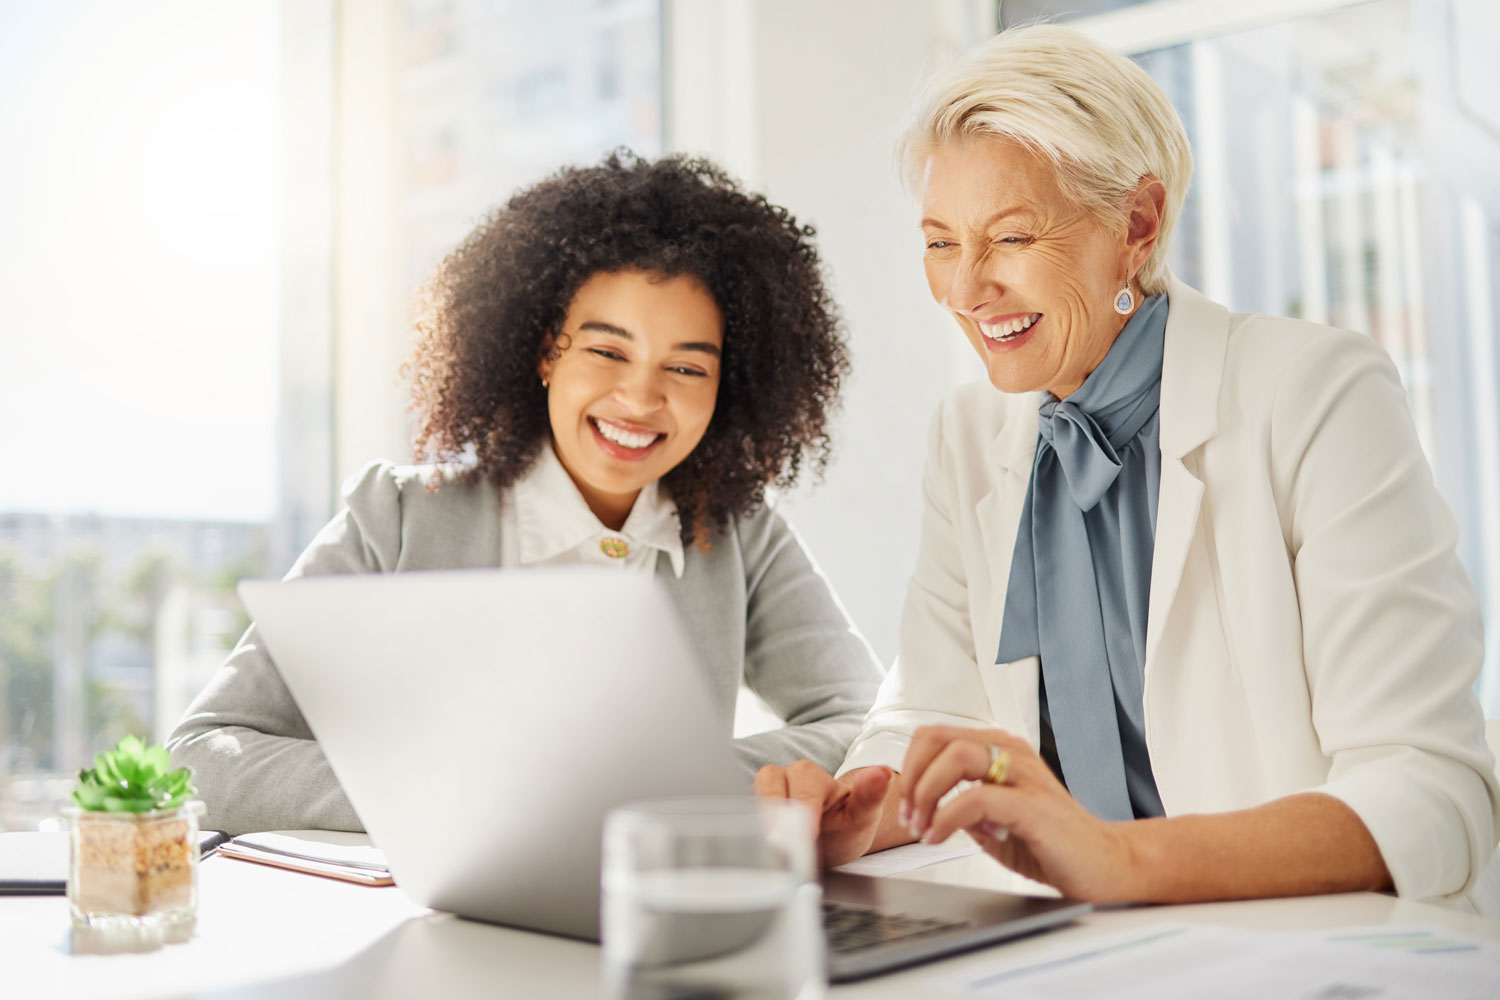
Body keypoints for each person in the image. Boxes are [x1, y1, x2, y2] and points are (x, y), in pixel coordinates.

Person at [755, 24, 1500, 909]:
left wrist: (1118, 861)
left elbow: (1429, 788)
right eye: (941, 242)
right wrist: (864, 812)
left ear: (1137, 225)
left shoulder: (1315, 393)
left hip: (1291, 942)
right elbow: (931, 710)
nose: (963, 290)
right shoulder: (970, 434)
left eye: (1012, 238)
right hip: (1089, 946)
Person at [168, 151, 884, 836]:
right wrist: (447, 789)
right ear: (547, 352)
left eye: (687, 369)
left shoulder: (738, 535)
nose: (640, 398)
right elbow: (202, 755)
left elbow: (866, 722)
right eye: (607, 351)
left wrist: (656, 785)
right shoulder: (398, 519)